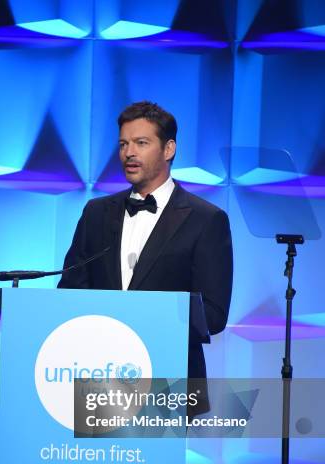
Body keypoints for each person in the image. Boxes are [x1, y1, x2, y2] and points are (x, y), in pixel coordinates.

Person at [58, 101, 233, 382]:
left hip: (169, 378)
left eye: (141, 143)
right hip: (98, 373)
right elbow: (70, 290)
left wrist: (138, 317)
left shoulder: (206, 220)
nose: (129, 153)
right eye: (123, 144)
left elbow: (213, 315)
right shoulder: (96, 213)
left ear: (169, 149)